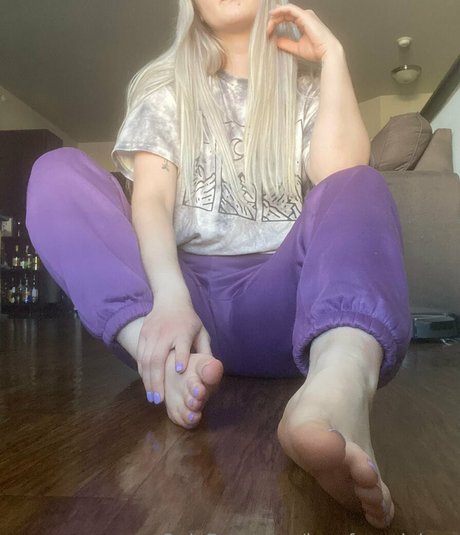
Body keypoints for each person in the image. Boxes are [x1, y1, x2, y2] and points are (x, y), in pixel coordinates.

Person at [26, 0, 412, 529]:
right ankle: (161, 361)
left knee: (361, 182)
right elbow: (152, 202)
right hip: (175, 310)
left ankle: (337, 390)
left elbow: (341, 178)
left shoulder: (306, 92)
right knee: (56, 171)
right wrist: (170, 299)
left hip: (281, 307)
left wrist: (333, 56)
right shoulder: (163, 88)